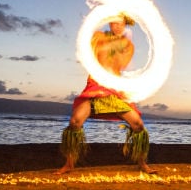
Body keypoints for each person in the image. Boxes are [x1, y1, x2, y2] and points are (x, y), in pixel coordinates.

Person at [56, 13, 156, 174]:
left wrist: (115, 45)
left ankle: (142, 163)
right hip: (95, 86)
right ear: (109, 24)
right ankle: (69, 164)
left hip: (113, 88)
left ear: (125, 25)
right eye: (114, 23)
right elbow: (86, 50)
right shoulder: (97, 36)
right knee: (75, 122)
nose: (117, 26)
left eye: (120, 24)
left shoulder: (128, 45)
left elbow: (121, 64)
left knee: (138, 124)